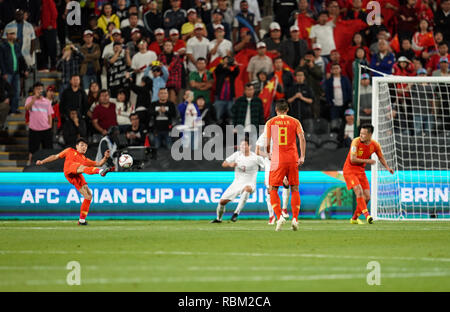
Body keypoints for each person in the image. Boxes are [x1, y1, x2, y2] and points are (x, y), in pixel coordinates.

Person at [36, 137, 113, 225]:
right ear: (77, 146)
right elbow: (55, 156)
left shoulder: (84, 159)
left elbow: (99, 163)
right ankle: (100, 172)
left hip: (76, 175)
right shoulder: (70, 151)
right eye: (82, 145)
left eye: (86, 146)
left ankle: (81, 220)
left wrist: (105, 157)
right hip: (69, 170)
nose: (84, 147)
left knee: (88, 196)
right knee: (82, 167)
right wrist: (42, 161)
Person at [265, 100, 305, 231]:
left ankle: (279, 217)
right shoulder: (295, 121)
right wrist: (302, 155)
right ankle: (295, 219)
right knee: (294, 188)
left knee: (273, 188)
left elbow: (267, 142)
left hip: (278, 159)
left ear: (276, 110)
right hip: (292, 157)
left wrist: (268, 153)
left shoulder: (271, 122)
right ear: (287, 109)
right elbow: (302, 138)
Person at [343, 124, 394, 224]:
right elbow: (352, 160)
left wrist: (387, 167)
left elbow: (380, 157)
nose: (361, 136)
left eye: (363, 134)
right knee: (359, 191)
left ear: (370, 134)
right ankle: (367, 215)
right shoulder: (355, 142)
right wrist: (368, 160)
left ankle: (354, 219)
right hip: (349, 170)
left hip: (361, 171)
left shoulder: (375, 145)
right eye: (360, 133)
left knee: (367, 197)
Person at [211, 139, 265, 223]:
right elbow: (224, 163)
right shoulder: (237, 155)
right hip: (237, 183)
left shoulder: (256, 157)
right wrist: (230, 164)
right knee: (222, 202)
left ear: (249, 146)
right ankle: (219, 219)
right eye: (241, 145)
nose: (242, 147)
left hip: (250, 182)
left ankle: (236, 213)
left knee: (247, 189)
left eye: (244, 145)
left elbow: (266, 166)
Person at [255, 125, 290, 225]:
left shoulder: (282, 136)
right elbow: (257, 151)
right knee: (269, 190)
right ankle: (271, 216)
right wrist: (268, 155)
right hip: (269, 164)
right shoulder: (263, 137)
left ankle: (284, 209)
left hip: (280, 163)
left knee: (286, 183)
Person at [24, 82, 54, 165]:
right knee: (32, 150)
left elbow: (50, 115)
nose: (39, 90)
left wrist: (50, 126)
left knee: (48, 150)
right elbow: (27, 108)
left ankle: (49, 165)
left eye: (41, 89)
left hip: (46, 129)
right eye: (37, 89)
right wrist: (34, 98)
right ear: (34, 90)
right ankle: (30, 165)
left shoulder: (47, 101)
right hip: (34, 129)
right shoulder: (29, 99)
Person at [0, 28, 27, 115]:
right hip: (8, 72)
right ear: (7, 35)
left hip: (16, 72)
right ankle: (7, 109)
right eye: (10, 34)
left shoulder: (16, 46)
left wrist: (25, 69)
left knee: (16, 90)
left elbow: (21, 58)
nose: (12, 35)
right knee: (7, 92)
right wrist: (3, 72)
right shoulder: (2, 46)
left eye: (13, 34)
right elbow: (1, 60)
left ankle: (14, 109)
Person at [213, 56, 239, 122]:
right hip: (219, 98)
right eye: (225, 60)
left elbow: (236, 72)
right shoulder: (219, 69)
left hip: (230, 99)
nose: (227, 61)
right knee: (217, 117)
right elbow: (217, 70)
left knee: (231, 117)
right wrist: (224, 66)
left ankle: (231, 131)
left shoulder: (232, 72)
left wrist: (235, 65)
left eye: (228, 60)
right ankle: (217, 130)